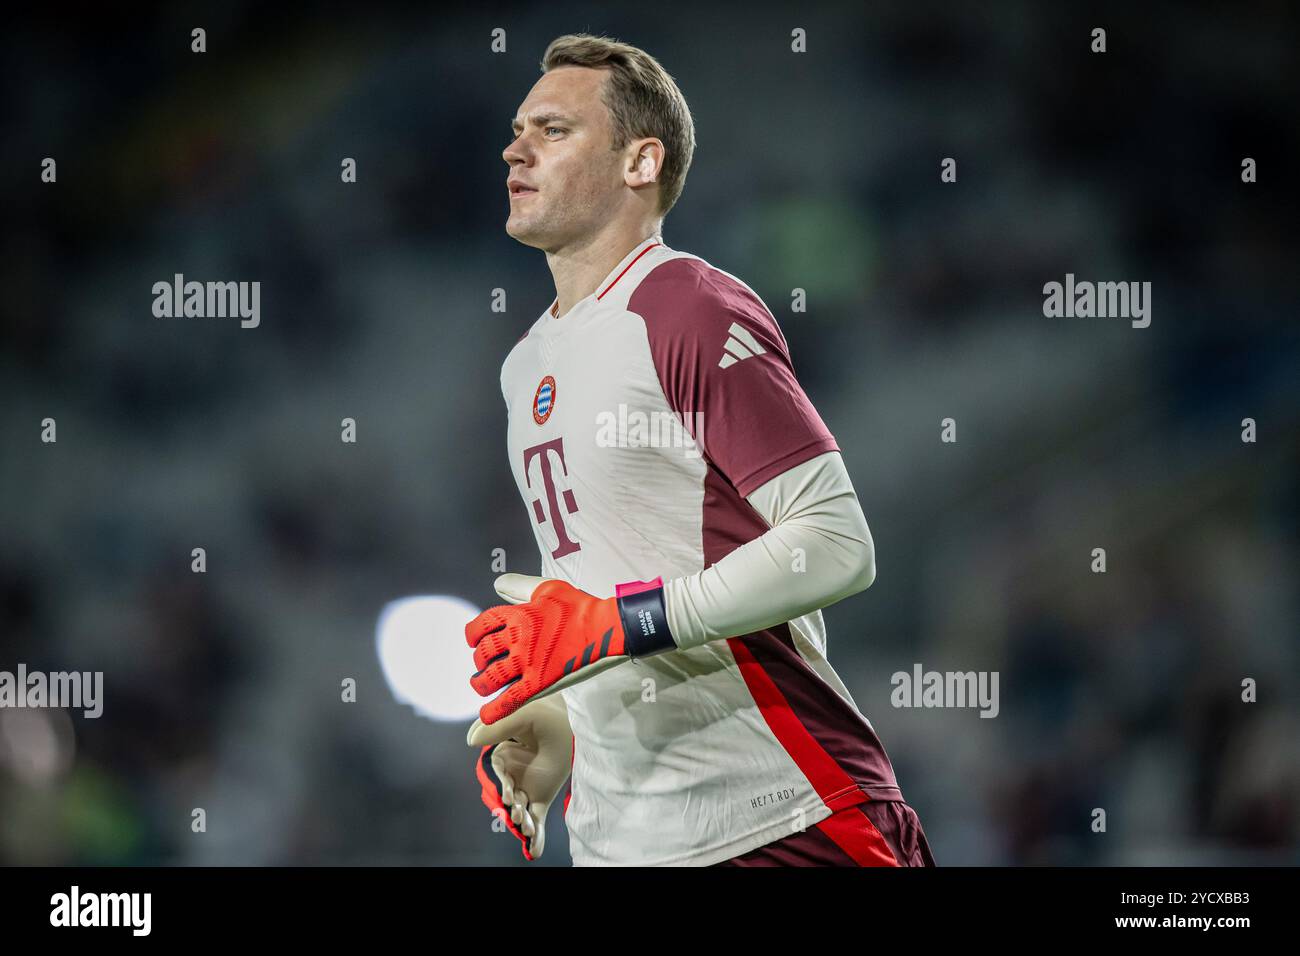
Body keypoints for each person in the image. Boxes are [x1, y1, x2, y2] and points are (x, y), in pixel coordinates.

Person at [466, 33, 935, 868]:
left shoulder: (685, 305)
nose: (516, 147)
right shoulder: (523, 365)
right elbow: (596, 601)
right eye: (517, 128)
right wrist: (560, 729)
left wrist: (619, 626)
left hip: (783, 816)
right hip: (619, 844)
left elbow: (835, 544)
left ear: (640, 163)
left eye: (554, 129)